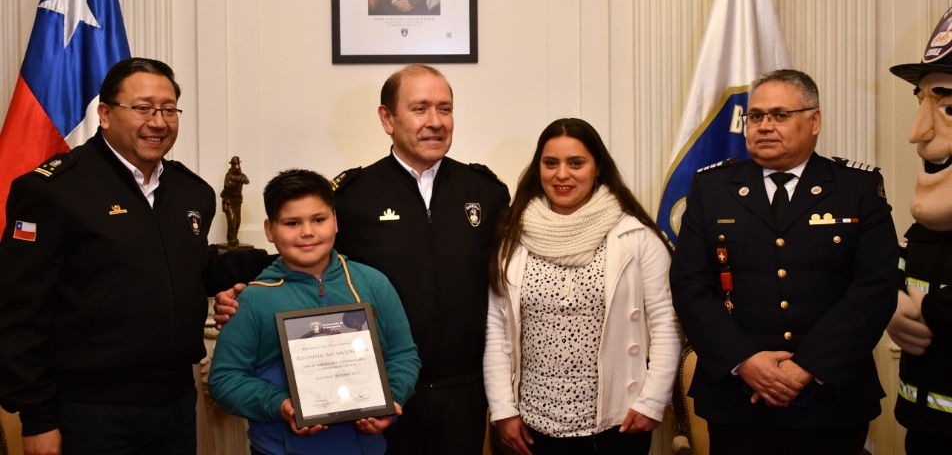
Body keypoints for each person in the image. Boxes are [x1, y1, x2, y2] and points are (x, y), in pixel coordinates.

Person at [215, 64, 511, 454]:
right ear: (387, 118)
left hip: (464, 389)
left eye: (445, 108)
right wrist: (242, 291)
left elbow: (508, 280)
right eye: (420, 108)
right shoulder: (353, 196)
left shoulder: (487, 192)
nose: (435, 122)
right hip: (372, 389)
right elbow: (311, 255)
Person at [0, 57, 250, 455]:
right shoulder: (54, 190)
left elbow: (187, 270)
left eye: (169, 109)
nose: (158, 121)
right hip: (87, 411)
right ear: (104, 114)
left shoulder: (193, 192)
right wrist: (37, 417)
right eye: (142, 108)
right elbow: (17, 311)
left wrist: (268, 269)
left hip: (175, 403)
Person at [669, 69, 899, 455]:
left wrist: (806, 367)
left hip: (831, 397)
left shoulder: (857, 189)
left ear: (815, 121)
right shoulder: (711, 188)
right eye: (756, 116)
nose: (764, 126)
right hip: (737, 397)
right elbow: (690, 286)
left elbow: (874, 289)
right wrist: (745, 361)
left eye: (779, 115)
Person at [483, 118, 680, 455]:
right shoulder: (513, 235)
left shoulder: (636, 236)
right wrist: (503, 409)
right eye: (550, 163)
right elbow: (496, 328)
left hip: (617, 422)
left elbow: (666, 323)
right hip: (532, 424)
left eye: (576, 163)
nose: (562, 175)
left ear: (598, 167)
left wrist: (652, 400)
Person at [208, 169, 420, 455]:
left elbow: (403, 354)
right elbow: (225, 380)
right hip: (279, 448)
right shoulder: (253, 299)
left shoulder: (374, 283)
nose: (307, 232)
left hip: (365, 447)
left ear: (335, 221)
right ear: (270, 230)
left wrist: (390, 397)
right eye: (292, 223)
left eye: (318, 219)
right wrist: (279, 404)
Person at [886, 5, 952, 454]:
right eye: (921, 103)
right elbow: (895, 268)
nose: (916, 133)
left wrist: (926, 310)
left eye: (946, 107)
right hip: (924, 427)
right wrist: (887, 300)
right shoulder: (927, 227)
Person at [221, 155, 250, 247]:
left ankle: (235, 237)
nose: (237, 166)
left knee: (238, 221)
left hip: (237, 200)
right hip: (229, 201)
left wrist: (240, 179)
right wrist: (237, 179)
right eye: (235, 164)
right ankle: (230, 238)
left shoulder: (241, 175)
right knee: (232, 220)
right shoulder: (229, 175)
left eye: (238, 164)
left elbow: (247, 181)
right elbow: (229, 184)